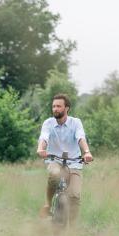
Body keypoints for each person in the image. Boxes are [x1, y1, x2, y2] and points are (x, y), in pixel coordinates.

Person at [36, 94, 93, 228]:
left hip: (74, 162)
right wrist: (41, 149)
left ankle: (73, 229)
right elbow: (43, 137)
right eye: (53, 106)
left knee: (74, 195)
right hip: (54, 160)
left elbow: (80, 137)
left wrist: (87, 152)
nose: (55, 109)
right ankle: (48, 204)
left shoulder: (76, 122)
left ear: (67, 108)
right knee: (54, 174)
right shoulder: (48, 123)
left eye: (58, 106)